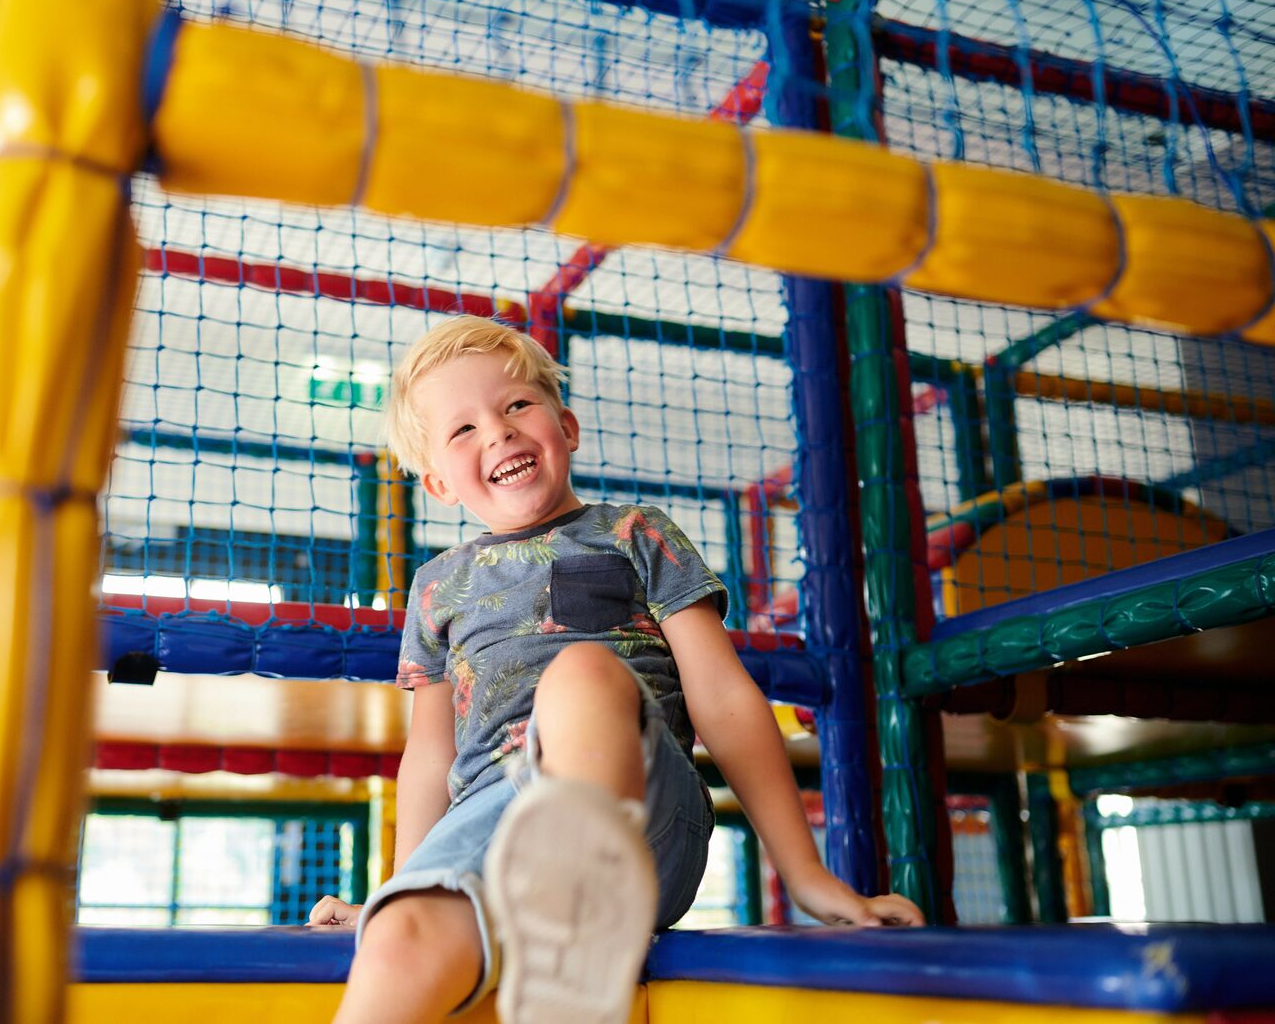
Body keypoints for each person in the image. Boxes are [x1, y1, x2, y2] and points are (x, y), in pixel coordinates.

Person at [307, 316, 922, 1024]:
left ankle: (583, 937)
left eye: (515, 406)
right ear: (439, 482)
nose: (499, 433)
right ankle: (536, 942)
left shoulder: (634, 532)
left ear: (565, 426)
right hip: (494, 820)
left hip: (640, 814)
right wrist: (401, 885)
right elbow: (431, 754)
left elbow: (723, 698)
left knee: (584, 677)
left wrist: (806, 875)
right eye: (463, 429)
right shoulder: (437, 585)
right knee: (398, 940)